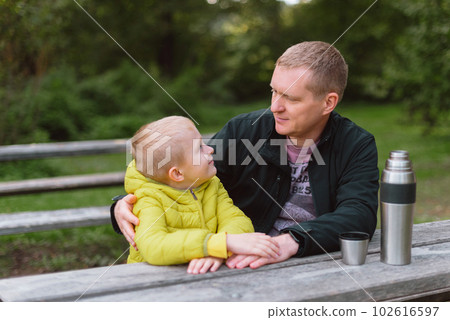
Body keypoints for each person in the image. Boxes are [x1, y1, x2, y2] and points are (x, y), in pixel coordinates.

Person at [111, 41, 379, 270]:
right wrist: (123, 203)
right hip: (236, 264)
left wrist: (291, 241)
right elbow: (180, 170)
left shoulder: (355, 144)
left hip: (315, 260)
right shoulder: (245, 130)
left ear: (328, 102)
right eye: (273, 91)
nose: (275, 106)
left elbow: (358, 215)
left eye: (291, 98)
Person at [123, 116, 280, 274]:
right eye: (200, 148)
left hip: (201, 275)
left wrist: (219, 250)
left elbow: (237, 219)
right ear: (177, 174)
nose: (210, 149)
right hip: (153, 282)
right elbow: (154, 247)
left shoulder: (210, 184)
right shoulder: (149, 200)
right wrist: (216, 244)